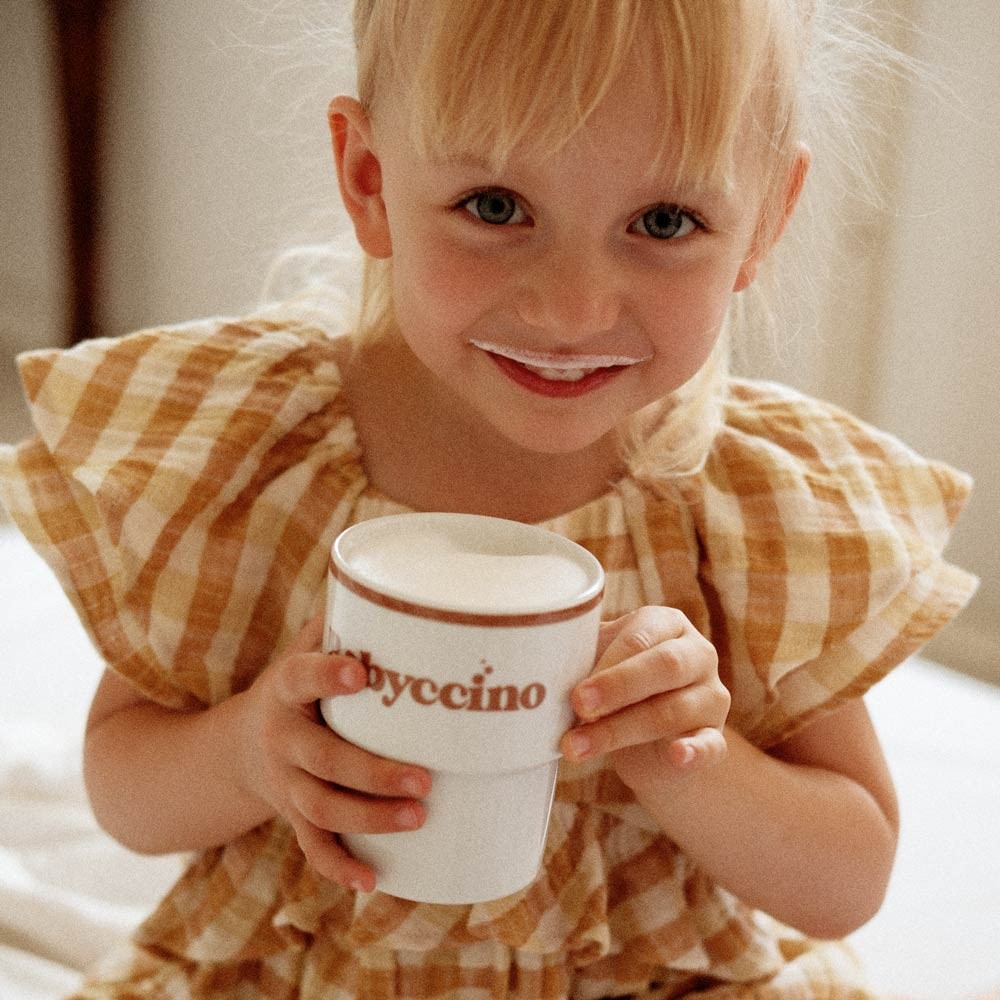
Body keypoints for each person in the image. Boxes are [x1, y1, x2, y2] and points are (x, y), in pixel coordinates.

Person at [0, 1, 978, 997]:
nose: (573, 309)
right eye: (497, 206)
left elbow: (847, 877)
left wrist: (691, 761)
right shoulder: (254, 447)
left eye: (664, 221)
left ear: (765, 219)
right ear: (369, 180)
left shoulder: (745, 508)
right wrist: (249, 751)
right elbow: (125, 791)